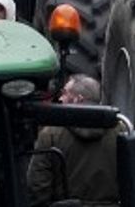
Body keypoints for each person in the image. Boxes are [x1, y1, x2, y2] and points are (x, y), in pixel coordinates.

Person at [26, 75, 121, 207]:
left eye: (64, 93)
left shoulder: (50, 134)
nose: (60, 99)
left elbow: (38, 186)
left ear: (78, 99)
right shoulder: (120, 130)